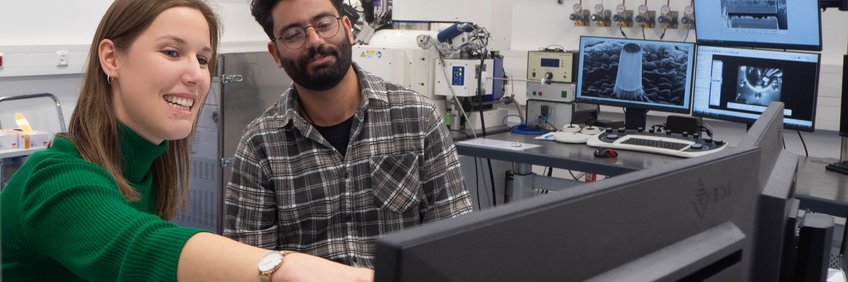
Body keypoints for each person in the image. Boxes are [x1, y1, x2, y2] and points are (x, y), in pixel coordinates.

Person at [0, 0, 371, 281]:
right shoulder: (51, 180)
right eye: (172, 52)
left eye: (204, 58)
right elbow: (140, 247)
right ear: (111, 58)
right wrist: (286, 269)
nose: (196, 74)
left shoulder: (147, 174)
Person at [224, 0, 473, 268]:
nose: (314, 41)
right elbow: (248, 265)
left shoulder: (418, 118)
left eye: (324, 24)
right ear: (275, 55)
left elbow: (454, 241)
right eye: (294, 34)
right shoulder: (260, 144)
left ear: (347, 28)